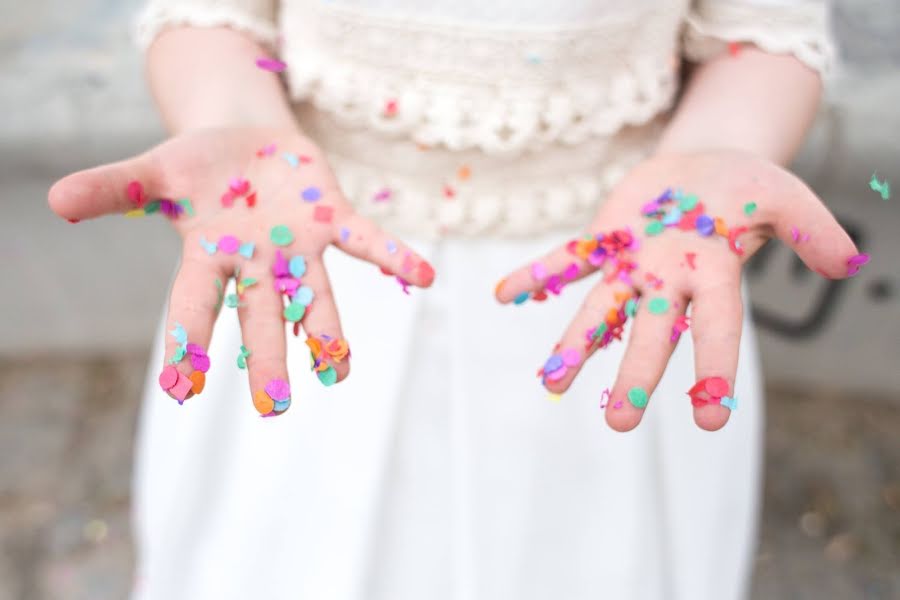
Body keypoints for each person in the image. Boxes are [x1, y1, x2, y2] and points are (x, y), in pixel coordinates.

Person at [48, 1, 862, 598]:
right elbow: (212, 17)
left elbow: (766, 34)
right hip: (312, 265)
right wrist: (232, 119)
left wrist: (715, 154)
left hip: (614, 282)